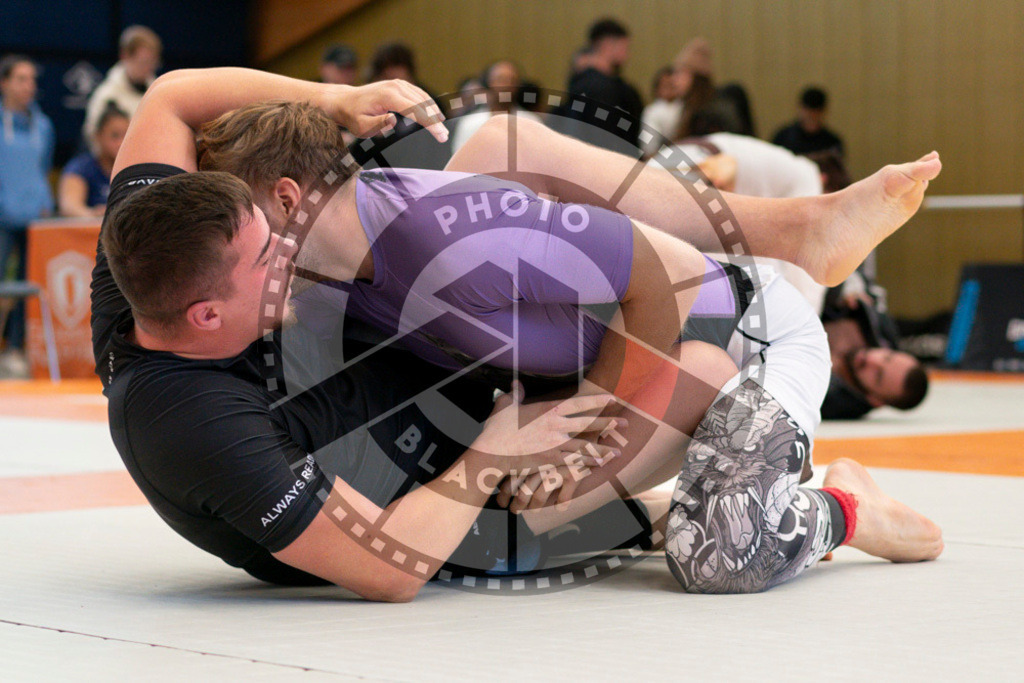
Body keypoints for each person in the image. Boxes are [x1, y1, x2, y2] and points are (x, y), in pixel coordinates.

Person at [100, 68, 942, 599]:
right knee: (500, 155)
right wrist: (496, 453)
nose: (280, 257)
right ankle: (818, 496)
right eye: (262, 262)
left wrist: (329, 99)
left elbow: (171, 93)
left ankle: (831, 485)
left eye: (272, 234)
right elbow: (391, 566)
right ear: (204, 316)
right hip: (532, 392)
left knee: (714, 552)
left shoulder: (155, 243)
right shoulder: (201, 413)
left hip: (727, 328)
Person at [0, 54, 54, 378]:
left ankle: (17, 348)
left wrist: (42, 202)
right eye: (21, 79)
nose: (28, 86)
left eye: (32, 79)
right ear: (4, 83)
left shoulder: (44, 125)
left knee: (27, 287)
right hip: (2, 220)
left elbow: (42, 169)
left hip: (36, 220)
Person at [821, 284, 929, 420]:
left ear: (875, 401)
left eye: (878, 375)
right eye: (887, 357)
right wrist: (846, 289)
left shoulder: (830, 401)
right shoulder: (877, 325)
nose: (872, 360)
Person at [565, 18, 643, 149]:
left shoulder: (579, 82)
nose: (627, 55)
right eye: (625, 48)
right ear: (608, 44)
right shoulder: (604, 88)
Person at [83, 25, 161, 140]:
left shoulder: (160, 93)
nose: (148, 68)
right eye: (143, 62)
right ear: (124, 56)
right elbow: (94, 139)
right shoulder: (107, 96)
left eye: (152, 62)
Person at [450, 61, 541, 152]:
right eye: (501, 79)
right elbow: (460, 160)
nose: (507, 85)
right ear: (488, 83)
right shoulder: (470, 123)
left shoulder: (532, 121)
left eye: (512, 80)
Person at [59, 102, 129, 217]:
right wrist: (92, 214)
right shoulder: (81, 168)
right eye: (115, 135)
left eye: (126, 135)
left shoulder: (135, 169)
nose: (120, 143)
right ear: (98, 136)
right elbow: (69, 206)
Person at [772, 86, 845, 158]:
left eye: (816, 112)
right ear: (800, 108)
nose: (812, 115)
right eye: (808, 111)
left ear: (823, 112)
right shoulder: (783, 137)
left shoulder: (832, 142)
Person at [640, 66, 681, 157]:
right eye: (665, 86)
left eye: (672, 86)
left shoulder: (684, 107)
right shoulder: (652, 111)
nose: (669, 90)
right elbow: (648, 147)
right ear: (657, 88)